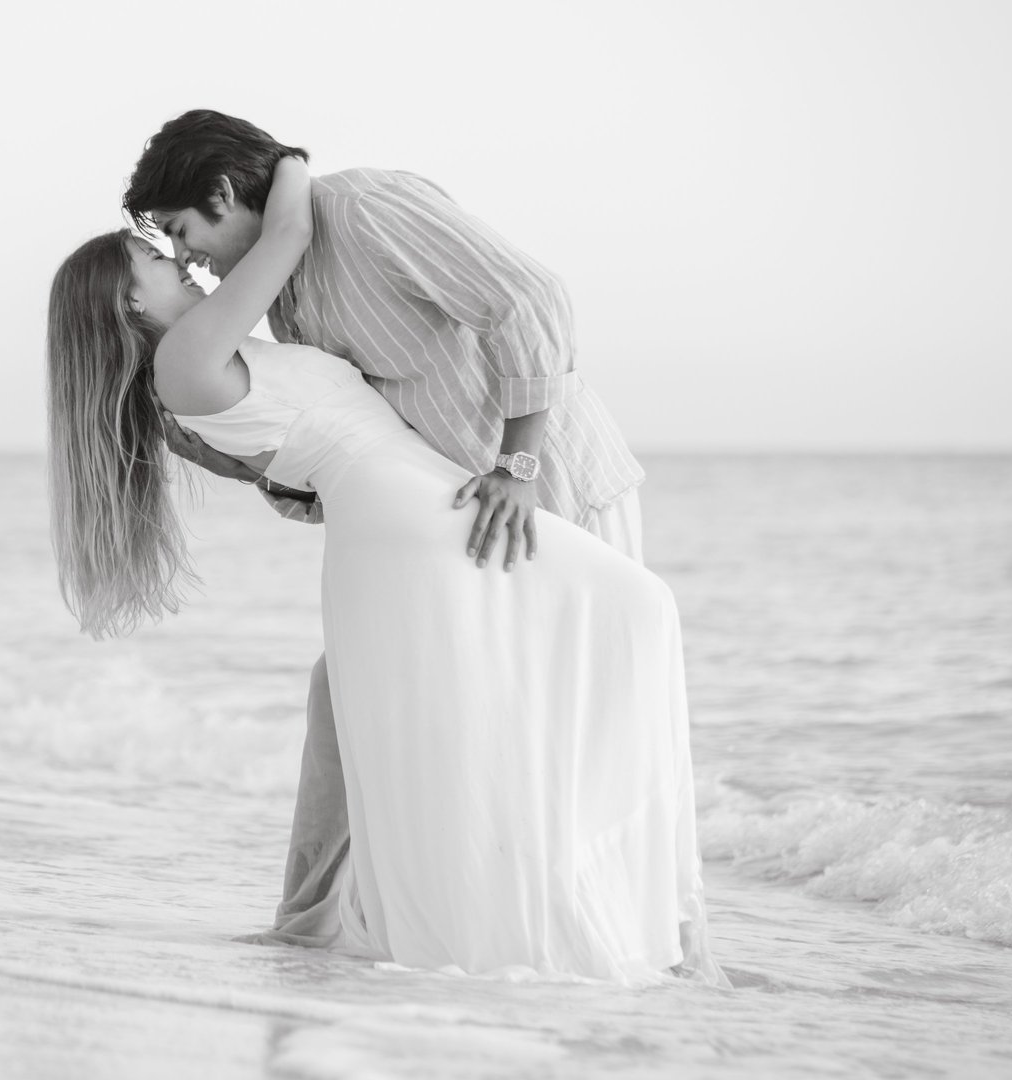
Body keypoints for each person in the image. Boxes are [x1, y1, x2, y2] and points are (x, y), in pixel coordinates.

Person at [46, 153, 726, 984]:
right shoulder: (186, 355)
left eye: (177, 240)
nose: (183, 262)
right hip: (404, 515)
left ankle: (586, 908)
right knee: (634, 612)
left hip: (398, 511)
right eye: (160, 257)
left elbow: (293, 465)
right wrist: (290, 164)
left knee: (507, 697)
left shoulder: (190, 369)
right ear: (127, 303)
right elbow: (290, 229)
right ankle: (613, 918)